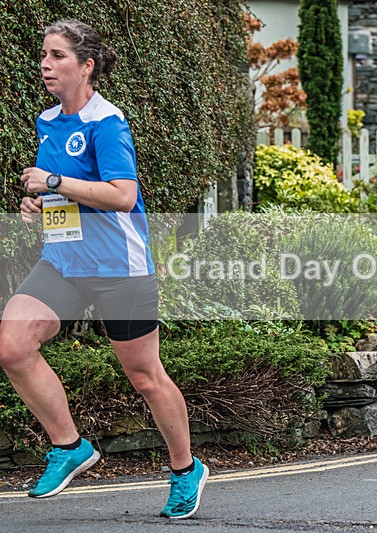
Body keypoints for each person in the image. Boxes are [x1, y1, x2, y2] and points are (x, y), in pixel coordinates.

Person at [0, 20, 208, 518]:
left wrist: (54, 179)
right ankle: (69, 445)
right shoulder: (48, 120)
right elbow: (61, 191)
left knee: (144, 376)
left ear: (86, 65)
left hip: (121, 268)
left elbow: (123, 195)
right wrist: (39, 202)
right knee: (11, 344)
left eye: (57, 56)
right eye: (43, 55)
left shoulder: (107, 122)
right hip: (65, 262)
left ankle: (185, 468)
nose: (45, 64)